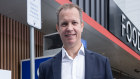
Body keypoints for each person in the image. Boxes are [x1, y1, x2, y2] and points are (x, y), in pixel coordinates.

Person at [39, 3, 113, 79]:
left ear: (81, 26)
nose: (70, 28)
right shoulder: (45, 68)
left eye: (74, 23)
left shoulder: (102, 63)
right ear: (58, 28)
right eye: (64, 24)